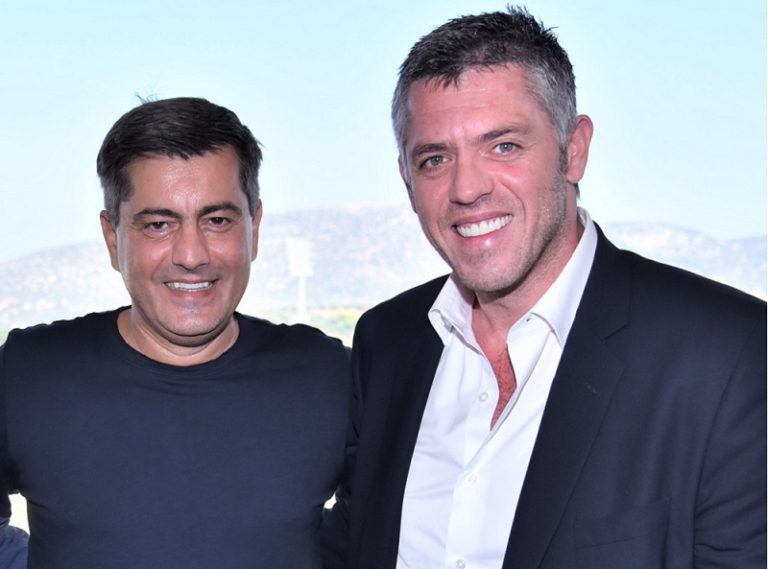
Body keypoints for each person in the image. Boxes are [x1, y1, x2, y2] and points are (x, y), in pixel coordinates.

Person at [327, 7, 766, 569]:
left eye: (504, 146)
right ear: (407, 180)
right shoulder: (387, 343)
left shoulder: (726, 355)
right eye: (435, 159)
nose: (467, 188)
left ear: (573, 149)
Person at [0, 97, 351, 568]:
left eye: (218, 221)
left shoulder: (329, 376)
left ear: (254, 228)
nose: (191, 255)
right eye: (158, 225)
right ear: (113, 238)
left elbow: (389, 526)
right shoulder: (28, 373)